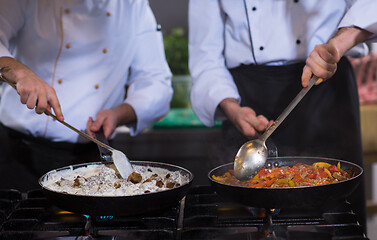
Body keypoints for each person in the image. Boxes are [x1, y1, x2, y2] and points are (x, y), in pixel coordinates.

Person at [189, 0, 377, 233]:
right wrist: (231, 108)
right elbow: (204, 54)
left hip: (325, 82)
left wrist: (336, 46)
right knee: (247, 223)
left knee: (338, 221)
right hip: (246, 94)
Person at [0, 1, 172, 189]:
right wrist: (18, 71)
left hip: (94, 158)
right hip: (18, 154)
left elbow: (155, 82)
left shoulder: (132, 5)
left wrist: (119, 113)